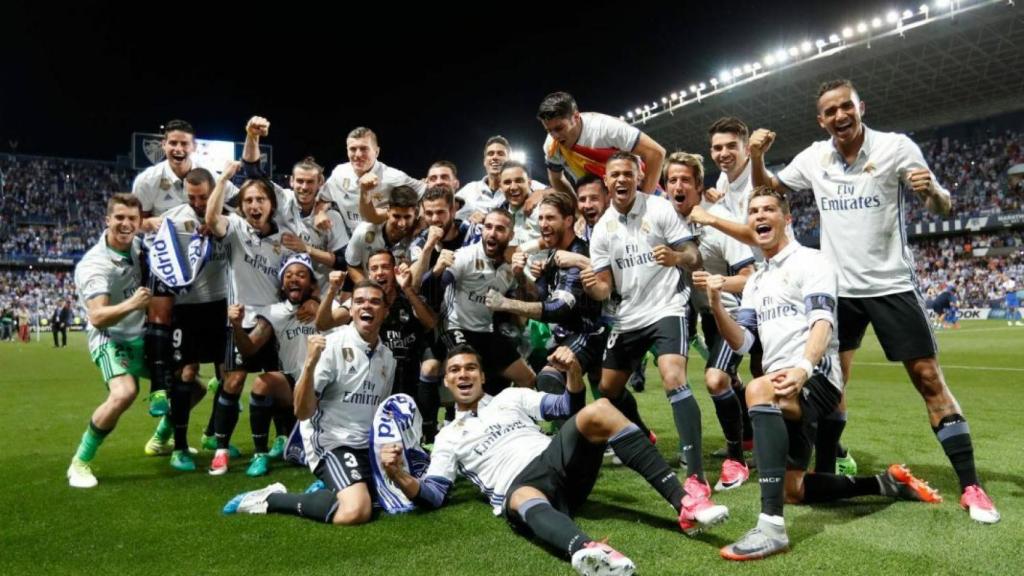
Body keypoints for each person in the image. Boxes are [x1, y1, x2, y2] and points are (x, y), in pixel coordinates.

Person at [736, 78, 997, 524]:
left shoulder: (896, 147)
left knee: (929, 380)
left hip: (891, 284)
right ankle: (825, 469)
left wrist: (930, 192)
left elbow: (944, 208)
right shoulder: (815, 157)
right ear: (821, 120)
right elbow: (770, 192)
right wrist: (757, 158)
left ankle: (972, 486)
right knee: (833, 389)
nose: (839, 116)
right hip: (840, 290)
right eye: (830, 111)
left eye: (846, 107)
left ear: (861, 107)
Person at [707, 187, 942, 561]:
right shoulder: (755, 281)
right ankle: (885, 483)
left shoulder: (812, 262)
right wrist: (718, 305)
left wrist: (802, 368)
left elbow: (822, 323)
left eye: (769, 209)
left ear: (787, 219)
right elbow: (742, 342)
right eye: (753, 211)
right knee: (792, 489)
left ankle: (771, 529)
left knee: (756, 390)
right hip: (784, 384)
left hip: (817, 377)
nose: (760, 216)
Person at [382, 345, 723, 576]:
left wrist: (573, 371)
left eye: (471, 368)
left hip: (556, 458)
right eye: (455, 370)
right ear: (447, 381)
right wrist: (397, 474)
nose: (464, 375)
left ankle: (686, 504)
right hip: (523, 486)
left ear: (483, 377)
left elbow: (567, 408)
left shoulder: (511, 397)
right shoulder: (446, 438)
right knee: (519, 497)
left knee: (601, 409)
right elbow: (434, 494)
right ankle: (588, 550)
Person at [582, 151, 726, 530]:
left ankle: (695, 475)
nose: (621, 180)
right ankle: (640, 433)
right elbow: (603, 288)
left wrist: (676, 257)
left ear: (638, 175)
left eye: (628, 173)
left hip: (668, 307)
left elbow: (694, 255)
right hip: (628, 316)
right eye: (614, 175)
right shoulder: (601, 229)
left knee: (673, 376)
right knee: (606, 388)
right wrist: (593, 288)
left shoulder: (659, 209)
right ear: (606, 179)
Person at [223, 281, 395, 527]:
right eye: (359, 301)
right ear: (352, 309)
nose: (366, 306)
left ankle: (331, 487)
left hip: (364, 447)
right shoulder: (332, 345)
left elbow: (378, 413)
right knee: (356, 511)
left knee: (393, 498)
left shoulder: (387, 358)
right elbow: (302, 412)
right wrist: (310, 364)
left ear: (386, 311)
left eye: (375, 301)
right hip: (332, 443)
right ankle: (271, 499)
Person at [664, 151, 755, 490]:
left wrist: (719, 284)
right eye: (672, 180)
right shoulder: (669, 222)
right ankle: (746, 438)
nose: (677, 186)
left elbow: (750, 276)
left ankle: (736, 460)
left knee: (716, 379)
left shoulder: (718, 221)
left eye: (685, 180)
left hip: (735, 313)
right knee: (728, 380)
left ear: (700, 185)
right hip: (708, 316)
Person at [66, 194, 153, 488]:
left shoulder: (138, 245)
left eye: (132, 218)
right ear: (107, 220)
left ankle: (163, 439)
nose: (126, 224)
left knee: (191, 387)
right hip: (110, 338)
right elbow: (98, 316)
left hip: (141, 335)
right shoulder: (95, 265)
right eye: (119, 218)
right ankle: (80, 461)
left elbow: (158, 223)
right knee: (124, 392)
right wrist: (133, 304)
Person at [227, 254, 319, 477]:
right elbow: (249, 349)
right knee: (262, 383)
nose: (294, 279)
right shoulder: (273, 312)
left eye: (301, 274)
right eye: (288, 275)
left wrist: (318, 303)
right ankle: (260, 454)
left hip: (327, 386)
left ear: (312, 283)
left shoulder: (325, 307)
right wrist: (238, 326)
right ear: (282, 284)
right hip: (295, 386)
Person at [434, 209, 537, 392]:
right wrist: (438, 271)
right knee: (472, 378)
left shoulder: (511, 265)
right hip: (456, 327)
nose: (492, 233)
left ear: (510, 235)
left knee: (528, 378)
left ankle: (515, 419)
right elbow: (439, 285)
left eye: (499, 229)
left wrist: (520, 276)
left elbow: (527, 304)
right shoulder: (466, 255)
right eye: (488, 227)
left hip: (486, 330)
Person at [537, 91, 665, 194]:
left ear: (576, 117)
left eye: (559, 128)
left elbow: (656, 153)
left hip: (637, 190)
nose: (554, 136)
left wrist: (645, 202)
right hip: (600, 204)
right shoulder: (551, 146)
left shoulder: (607, 128)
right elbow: (556, 179)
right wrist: (577, 210)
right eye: (549, 130)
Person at [319, 127, 426, 237]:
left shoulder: (393, 177)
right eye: (353, 149)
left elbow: (426, 192)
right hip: (353, 240)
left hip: (387, 242)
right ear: (347, 150)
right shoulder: (339, 173)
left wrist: (421, 222)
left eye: (364, 149)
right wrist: (320, 213)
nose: (358, 154)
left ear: (376, 151)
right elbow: (323, 198)